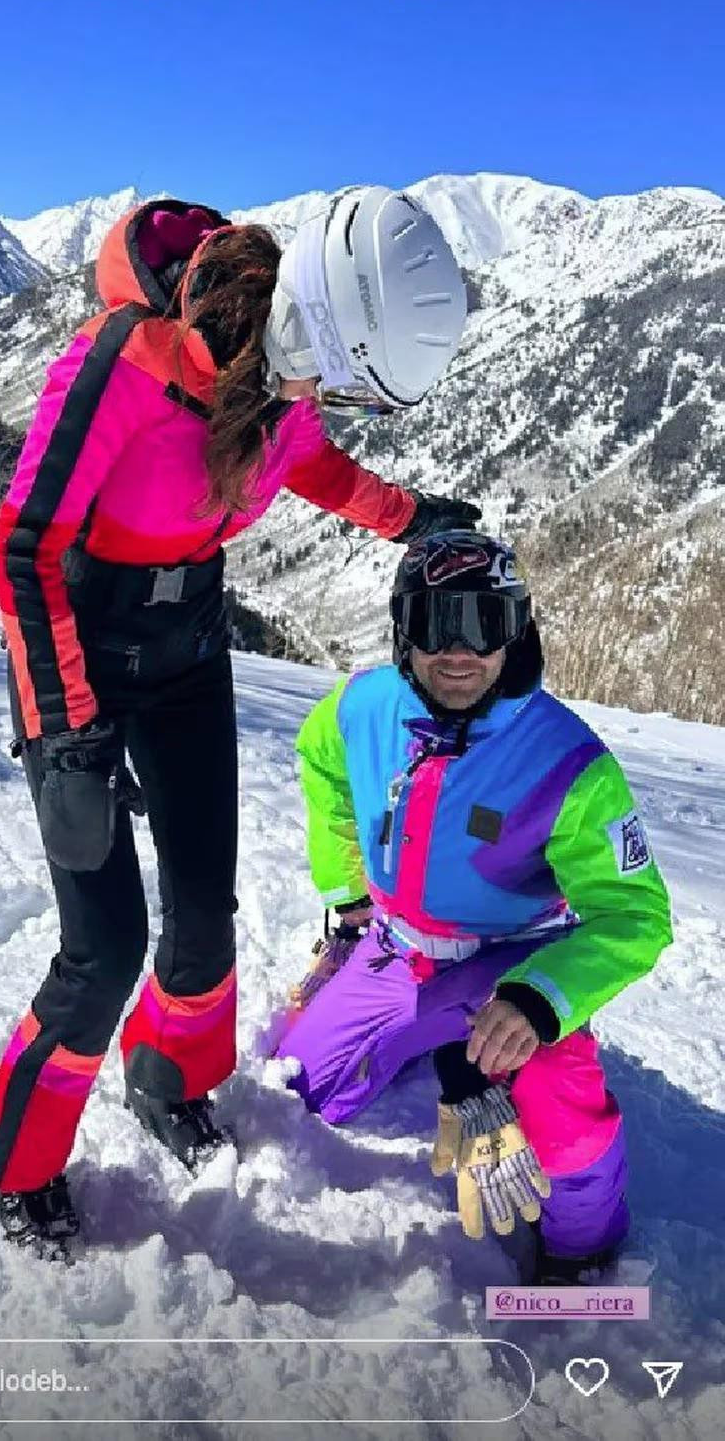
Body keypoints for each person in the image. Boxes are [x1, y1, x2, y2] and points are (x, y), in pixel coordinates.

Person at [0, 187, 481, 1257]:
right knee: (102, 947)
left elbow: (307, 464)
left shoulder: (282, 385)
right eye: (336, 377)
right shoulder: (125, 361)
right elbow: (24, 548)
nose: (326, 400)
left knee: (202, 914)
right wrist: (65, 729)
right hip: (80, 662)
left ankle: (165, 1080)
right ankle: (16, 1164)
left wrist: (407, 517)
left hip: (188, 653)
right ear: (314, 321)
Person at [276, 530, 673, 1284]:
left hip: (510, 966)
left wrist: (538, 999)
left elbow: (635, 917)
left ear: (516, 629)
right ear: (402, 629)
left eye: (483, 625)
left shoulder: (570, 764)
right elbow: (319, 762)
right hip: (398, 951)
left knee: (562, 1125)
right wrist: (349, 892)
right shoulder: (363, 707)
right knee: (295, 1088)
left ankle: (582, 1255)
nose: (458, 652)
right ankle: (442, 1045)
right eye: (435, 625)